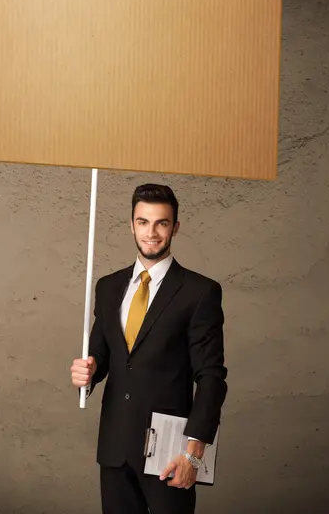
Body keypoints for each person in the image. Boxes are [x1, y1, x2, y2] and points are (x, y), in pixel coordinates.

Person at [71, 183, 227, 514]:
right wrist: (88, 371)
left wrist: (192, 453)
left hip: (169, 452)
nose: (151, 232)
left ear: (175, 227)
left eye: (161, 223)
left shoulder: (199, 292)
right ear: (131, 225)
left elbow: (211, 377)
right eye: (143, 222)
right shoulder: (109, 287)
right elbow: (102, 354)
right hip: (115, 449)